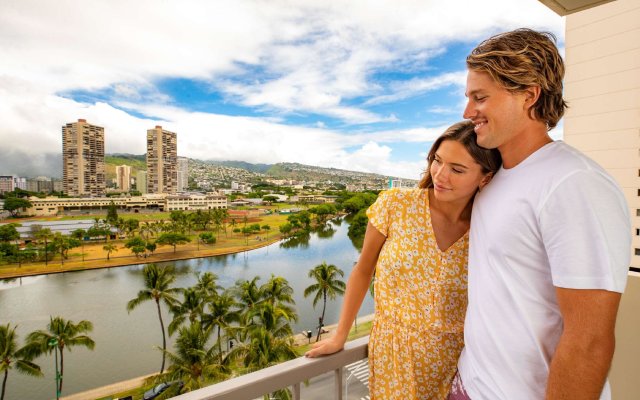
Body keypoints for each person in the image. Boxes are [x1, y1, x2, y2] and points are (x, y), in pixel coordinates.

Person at [452, 29, 631, 400]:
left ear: (529, 95)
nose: (468, 113)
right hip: (470, 386)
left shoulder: (574, 184)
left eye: (480, 97)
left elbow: (589, 341)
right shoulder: (496, 179)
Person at [306, 121, 501, 399]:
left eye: (457, 169)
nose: (441, 175)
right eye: (437, 160)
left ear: (485, 178)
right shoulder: (396, 205)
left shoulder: (488, 225)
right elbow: (363, 271)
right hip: (393, 355)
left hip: (460, 363)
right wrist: (340, 336)